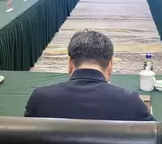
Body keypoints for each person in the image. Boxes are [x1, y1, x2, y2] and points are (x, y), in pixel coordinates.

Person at [25, 30, 154, 121]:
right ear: (110, 65)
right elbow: (155, 136)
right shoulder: (131, 102)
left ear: (69, 63)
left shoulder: (40, 99)